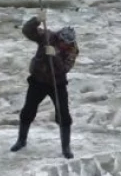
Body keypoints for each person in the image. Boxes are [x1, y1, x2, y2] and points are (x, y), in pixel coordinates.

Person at [10, 9, 79, 159]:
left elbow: (64, 68)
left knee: (63, 115)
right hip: (38, 80)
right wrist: (36, 20)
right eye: (62, 42)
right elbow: (27, 31)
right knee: (28, 110)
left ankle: (65, 147)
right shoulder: (47, 37)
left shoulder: (73, 50)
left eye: (66, 44)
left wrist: (55, 55)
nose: (64, 46)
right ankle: (21, 140)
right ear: (59, 37)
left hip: (57, 83)